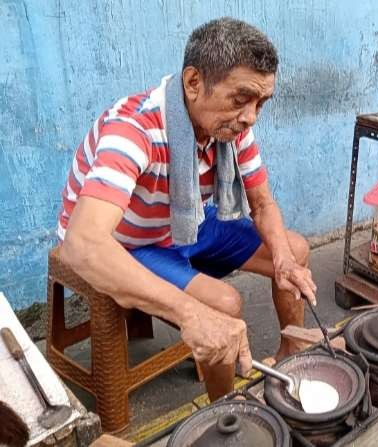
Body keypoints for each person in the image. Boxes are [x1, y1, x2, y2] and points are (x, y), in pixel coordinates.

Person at [56, 18, 317, 401]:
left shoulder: (231, 127)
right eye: (242, 98)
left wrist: (282, 261)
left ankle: (292, 351)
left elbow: (262, 203)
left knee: (294, 251)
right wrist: (189, 314)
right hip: (128, 240)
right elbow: (83, 244)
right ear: (194, 83)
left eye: (261, 102)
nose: (251, 115)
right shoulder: (133, 129)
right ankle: (226, 414)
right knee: (224, 304)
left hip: (183, 220)